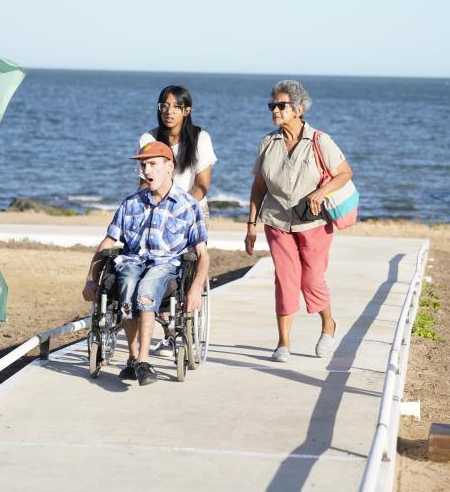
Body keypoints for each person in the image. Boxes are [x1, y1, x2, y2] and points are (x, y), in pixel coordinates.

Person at [82, 141, 209, 386]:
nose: (146, 171)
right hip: (132, 261)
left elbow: (203, 254)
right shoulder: (131, 203)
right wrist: (90, 279)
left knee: (146, 291)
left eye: (152, 164)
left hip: (166, 265)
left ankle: (143, 360)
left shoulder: (187, 206)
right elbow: (107, 242)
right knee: (128, 285)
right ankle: (132, 358)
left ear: (169, 167)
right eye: (143, 165)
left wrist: (195, 289)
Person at [244, 80, 353, 362]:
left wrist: (321, 192)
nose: (275, 111)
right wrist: (251, 225)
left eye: (281, 106)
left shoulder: (320, 140)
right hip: (277, 221)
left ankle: (328, 325)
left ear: (299, 109)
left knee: (312, 279)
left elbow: (344, 174)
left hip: (314, 223)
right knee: (285, 279)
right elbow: (259, 186)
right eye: (272, 106)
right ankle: (283, 343)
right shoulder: (268, 142)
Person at [139, 85, 217, 357]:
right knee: (152, 260)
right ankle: (168, 329)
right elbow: (144, 182)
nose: (168, 111)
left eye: (174, 106)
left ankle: (187, 313)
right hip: (158, 210)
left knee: (191, 259)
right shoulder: (149, 138)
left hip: (192, 209)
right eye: (163, 105)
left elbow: (202, 184)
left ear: (187, 111)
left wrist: (181, 208)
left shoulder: (200, 138)